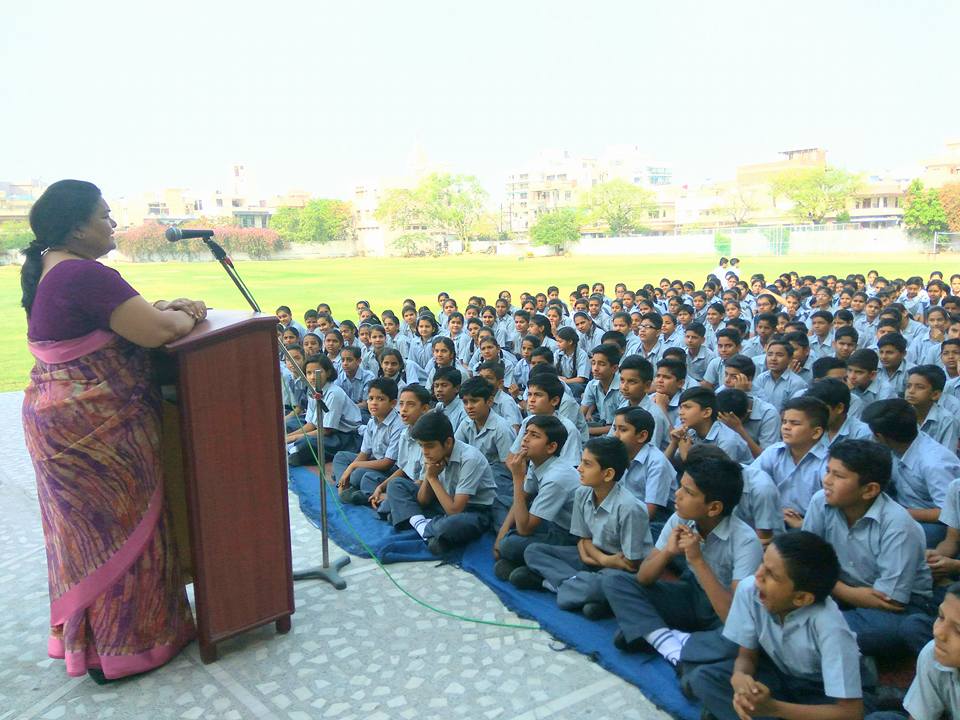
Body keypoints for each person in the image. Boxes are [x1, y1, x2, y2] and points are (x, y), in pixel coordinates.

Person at [21, 180, 203, 681]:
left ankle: (100, 649)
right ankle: (129, 648)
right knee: (122, 536)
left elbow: (121, 323)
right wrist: (188, 311)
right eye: (104, 216)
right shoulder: (83, 274)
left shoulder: (53, 267)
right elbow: (156, 332)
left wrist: (162, 311)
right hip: (96, 433)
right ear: (77, 226)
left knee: (91, 539)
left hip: (62, 425)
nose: (112, 224)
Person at [601, 445, 763, 666]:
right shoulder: (681, 517)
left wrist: (698, 561)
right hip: (690, 594)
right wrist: (668, 552)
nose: (677, 495)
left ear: (714, 508)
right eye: (681, 487)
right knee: (614, 580)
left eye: (688, 492)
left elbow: (735, 618)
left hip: (720, 614)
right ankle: (671, 646)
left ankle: (654, 634)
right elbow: (643, 578)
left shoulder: (746, 541)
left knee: (740, 646)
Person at [690, 533, 863, 720]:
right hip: (780, 675)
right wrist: (740, 677)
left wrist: (773, 708)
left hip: (821, 693)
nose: (758, 575)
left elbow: (851, 712)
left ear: (801, 598)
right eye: (763, 563)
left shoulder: (830, 628)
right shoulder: (751, 590)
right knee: (704, 679)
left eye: (771, 574)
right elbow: (747, 656)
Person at [802, 439, 935, 658]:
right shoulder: (821, 502)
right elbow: (805, 559)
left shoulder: (899, 525)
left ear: (870, 490)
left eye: (839, 476)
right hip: (840, 590)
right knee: (783, 607)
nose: (827, 481)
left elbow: (889, 601)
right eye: (828, 471)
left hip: (895, 608)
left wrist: (826, 583)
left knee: (823, 630)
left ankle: (862, 668)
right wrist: (829, 585)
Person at [524, 437, 652, 618]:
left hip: (618, 570)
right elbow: (582, 539)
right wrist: (602, 560)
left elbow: (631, 563)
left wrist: (599, 560)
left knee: (603, 586)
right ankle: (574, 587)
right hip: (595, 557)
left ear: (607, 474)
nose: (579, 469)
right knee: (533, 550)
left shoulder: (630, 508)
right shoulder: (582, 492)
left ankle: (560, 584)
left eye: (587, 464)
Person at [384, 411, 496, 555]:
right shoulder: (433, 455)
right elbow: (423, 500)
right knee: (396, 485)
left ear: (448, 442)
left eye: (429, 446)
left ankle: (414, 520)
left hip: (471, 511)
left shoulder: (470, 459)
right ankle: (425, 528)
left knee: (449, 525)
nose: (425, 452)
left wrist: (433, 479)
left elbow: (455, 511)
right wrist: (429, 476)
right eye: (421, 446)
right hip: (442, 503)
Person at [494, 416, 581, 587]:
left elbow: (525, 529)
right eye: (526, 433)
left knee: (511, 545)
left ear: (551, 447)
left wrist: (517, 477)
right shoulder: (537, 462)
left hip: (569, 536)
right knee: (500, 502)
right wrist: (501, 534)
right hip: (550, 522)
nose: (525, 438)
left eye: (534, 435)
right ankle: (527, 562)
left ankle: (541, 575)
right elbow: (524, 497)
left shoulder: (556, 477)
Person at [863, 399, 960, 548]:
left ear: (880, 437)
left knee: (881, 536)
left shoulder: (934, 463)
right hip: (904, 506)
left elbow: (949, 513)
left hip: (934, 523)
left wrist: (899, 513)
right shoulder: (896, 447)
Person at [751, 395, 829, 529]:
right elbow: (751, 480)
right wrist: (776, 510)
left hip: (810, 524)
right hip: (772, 516)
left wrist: (805, 524)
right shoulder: (774, 452)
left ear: (816, 432)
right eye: (784, 422)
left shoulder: (828, 462)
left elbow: (830, 509)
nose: (786, 427)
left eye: (795, 423)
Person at [454, 376, 517, 526]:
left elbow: (507, 466)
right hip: (473, 471)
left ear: (489, 401)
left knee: (498, 510)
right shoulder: (466, 423)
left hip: (497, 476)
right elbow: (455, 449)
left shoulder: (501, 427)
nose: (469, 406)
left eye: (474, 401)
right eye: (465, 402)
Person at [333, 378, 404, 505]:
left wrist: (353, 466)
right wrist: (349, 469)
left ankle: (363, 493)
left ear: (393, 403)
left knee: (358, 473)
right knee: (341, 457)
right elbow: (364, 454)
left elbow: (387, 463)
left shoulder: (398, 425)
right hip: (373, 461)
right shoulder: (372, 422)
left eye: (380, 399)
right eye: (371, 398)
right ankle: (343, 484)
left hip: (390, 469)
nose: (374, 403)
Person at [286, 354, 362, 466]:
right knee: (290, 424)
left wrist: (293, 438)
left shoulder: (334, 393)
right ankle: (293, 450)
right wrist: (288, 437)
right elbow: (311, 424)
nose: (312, 377)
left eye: (318, 372)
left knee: (306, 443)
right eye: (309, 373)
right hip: (322, 428)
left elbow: (327, 430)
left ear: (328, 372)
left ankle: (295, 452)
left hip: (344, 435)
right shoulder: (312, 390)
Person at [369, 384, 433, 516]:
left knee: (389, 501)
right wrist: (380, 488)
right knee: (367, 478)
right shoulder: (405, 434)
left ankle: (398, 508)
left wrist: (391, 494)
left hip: (427, 488)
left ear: (425, 408)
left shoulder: (430, 438)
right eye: (401, 404)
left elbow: (424, 481)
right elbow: (404, 469)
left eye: (410, 405)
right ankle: (384, 500)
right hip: (409, 483)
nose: (403, 410)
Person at [611, 407, 676, 531]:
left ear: (642, 436)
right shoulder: (618, 454)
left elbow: (649, 513)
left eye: (623, 430)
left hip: (657, 519)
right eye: (615, 429)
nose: (616, 435)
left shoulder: (657, 463)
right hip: (626, 511)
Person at [665, 386, 753, 466]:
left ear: (706, 412)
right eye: (680, 407)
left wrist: (686, 457)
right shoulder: (690, 432)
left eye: (687, 407)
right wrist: (674, 443)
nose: (680, 412)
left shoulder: (727, 441)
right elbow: (664, 467)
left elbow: (716, 479)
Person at [905, 365, 960, 452]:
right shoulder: (900, 415)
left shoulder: (947, 421)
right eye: (908, 386)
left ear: (935, 395)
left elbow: (947, 457)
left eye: (920, 387)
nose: (911, 391)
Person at [580, 344, 622, 435]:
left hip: (618, 432)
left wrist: (586, 431)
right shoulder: (592, 384)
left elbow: (620, 427)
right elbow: (580, 415)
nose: (595, 368)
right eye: (593, 363)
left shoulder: (623, 388)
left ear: (614, 368)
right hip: (602, 424)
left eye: (601, 364)